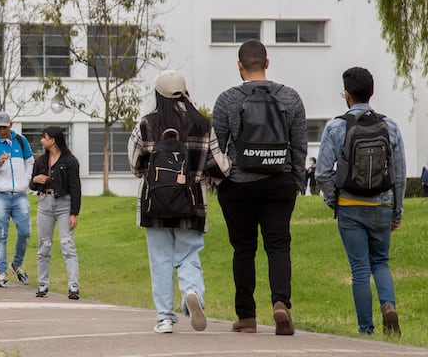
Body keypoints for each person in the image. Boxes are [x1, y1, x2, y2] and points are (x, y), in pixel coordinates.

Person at [212, 39, 307, 335]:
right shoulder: (290, 97)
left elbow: (216, 148)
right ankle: (281, 303)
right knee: (278, 245)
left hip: (238, 186)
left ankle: (246, 317)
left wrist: (219, 183)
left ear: (239, 66)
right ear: (267, 63)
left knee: (243, 249)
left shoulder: (227, 99)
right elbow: (299, 146)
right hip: (279, 183)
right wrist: (296, 181)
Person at [128, 71, 231, 333]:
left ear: (158, 94)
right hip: (191, 203)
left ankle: (165, 318)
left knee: (160, 260)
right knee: (189, 254)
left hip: (154, 204)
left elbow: (135, 165)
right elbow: (219, 168)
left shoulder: (146, 124)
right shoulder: (202, 124)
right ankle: (192, 291)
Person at [315, 67, 405, 336]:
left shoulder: (336, 127)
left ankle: (366, 329)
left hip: (350, 206)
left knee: (360, 269)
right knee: (381, 262)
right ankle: (388, 305)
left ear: (347, 94)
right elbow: (399, 174)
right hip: (382, 204)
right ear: (371, 92)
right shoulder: (390, 126)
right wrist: (397, 211)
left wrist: (334, 200)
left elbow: (322, 173)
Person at [0, 112, 34, 288]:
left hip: (20, 194)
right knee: (1, 235)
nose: (1, 131)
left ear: (11, 124)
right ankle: (1, 272)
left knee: (25, 232)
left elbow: (30, 161)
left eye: (4, 127)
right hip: (0, 194)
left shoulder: (21, 141)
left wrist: (26, 181)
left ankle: (17, 263)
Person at [30, 126, 82, 300]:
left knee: (67, 245)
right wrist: (35, 180)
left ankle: (73, 286)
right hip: (44, 204)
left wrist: (74, 213)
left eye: (44, 137)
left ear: (53, 140)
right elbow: (32, 185)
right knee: (44, 246)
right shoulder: (40, 161)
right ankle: (42, 285)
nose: (41, 140)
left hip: (64, 205)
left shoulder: (70, 161)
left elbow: (75, 188)